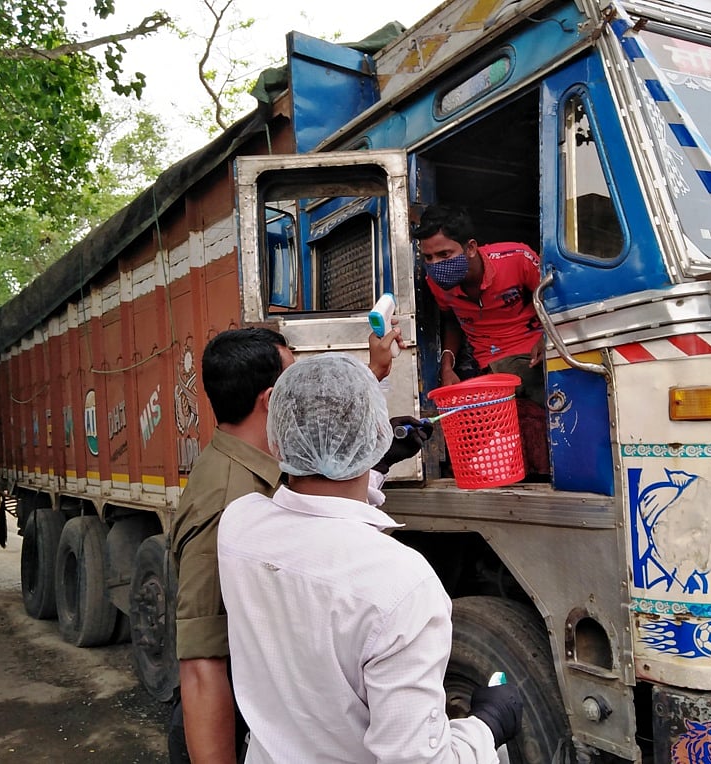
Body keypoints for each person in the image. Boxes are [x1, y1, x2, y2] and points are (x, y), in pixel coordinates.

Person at [217, 353, 523, 763]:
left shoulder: (238, 525)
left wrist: (376, 467)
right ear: (378, 432)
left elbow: (318, 516)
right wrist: (488, 725)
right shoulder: (401, 584)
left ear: (276, 438)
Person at [169, 325, 428, 763]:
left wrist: (373, 442)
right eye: (295, 380)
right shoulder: (227, 504)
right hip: (237, 724)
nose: (308, 392)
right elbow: (202, 664)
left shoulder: (261, 466)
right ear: (271, 401)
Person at [412, 204, 545, 404]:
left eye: (444, 255)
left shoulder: (518, 258)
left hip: (534, 355)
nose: (435, 265)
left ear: (471, 248)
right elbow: (452, 320)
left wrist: (547, 339)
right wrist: (447, 366)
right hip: (487, 365)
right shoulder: (436, 283)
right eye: (428, 257)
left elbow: (558, 303)